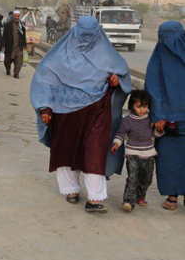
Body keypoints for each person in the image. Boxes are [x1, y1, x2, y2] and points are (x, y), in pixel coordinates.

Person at [30, 16, 132, 214]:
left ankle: (95, 198)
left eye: (90, 35)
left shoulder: (107, 54)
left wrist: (116, 80)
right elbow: (46, 78)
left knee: (96, 150)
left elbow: (123, 74)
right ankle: (71, 190)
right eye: (83, 34)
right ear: (76, 32)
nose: (86, 39)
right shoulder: (60, 55)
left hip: (98, 112)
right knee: (68, 150)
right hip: (66, 112)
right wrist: (45, 107)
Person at [144, 21, 185, 211]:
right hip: (168, 119)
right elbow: (153, 87)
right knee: (168, 158)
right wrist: (158, 115)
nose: (167, 44)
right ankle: (172, 194)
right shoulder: (159, 57)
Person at [111, 90, 164, 212]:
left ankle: (140, 196)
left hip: (149, 154)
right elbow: (120, 134)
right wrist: (116, 143)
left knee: (147, 179)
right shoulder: (127, 120)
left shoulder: (151, 119)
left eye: (145, 107)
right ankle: (128, 201)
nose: (142, 110)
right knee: (132, 178)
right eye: (138, 106)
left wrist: (159, 130)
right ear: (132, 106)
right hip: (132, 154)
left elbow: (155, 134)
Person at [2, 10, 27, 78]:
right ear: (13, 16)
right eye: (15, 16)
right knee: (7, 61)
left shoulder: (22, 25)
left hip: (19, 47)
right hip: (9, 46)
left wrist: (25, 45)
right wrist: (3, 45)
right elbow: (4, 36)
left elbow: (24, 36)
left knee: (19, 61)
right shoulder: (8, 25)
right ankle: (8, 69)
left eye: (18, 16)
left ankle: (16, 73)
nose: (16, 17)